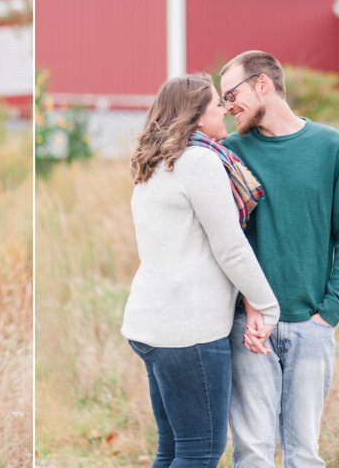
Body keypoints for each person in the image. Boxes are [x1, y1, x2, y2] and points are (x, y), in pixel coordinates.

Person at [121, 73, 280, 468]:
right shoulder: (200, 162)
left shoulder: (155, 165)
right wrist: (267, 305)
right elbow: (230, 247)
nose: (225, 109)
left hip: (151, 327)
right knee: (200, 453)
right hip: (186, 331)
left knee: (173, 450)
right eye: (215, 105)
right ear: (195, 116)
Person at [220, 51, 339, 468]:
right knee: (252, 454)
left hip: (310, 327)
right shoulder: (231, 151)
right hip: (250, 331)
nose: (228, 107)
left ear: (262, 83)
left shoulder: (332, 147)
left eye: (233, 94)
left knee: (304, 456)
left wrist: (329, 314)